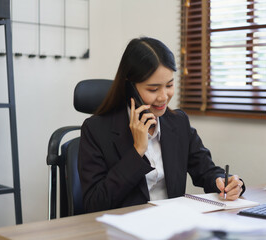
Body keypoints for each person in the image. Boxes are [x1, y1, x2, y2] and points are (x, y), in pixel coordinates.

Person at [78, 37, 245, 213]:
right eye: (153, 89)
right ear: (130, 87)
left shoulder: (178, 122)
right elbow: (95, 203)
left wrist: (225, 182)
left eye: (169, 85)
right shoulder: (96, 130)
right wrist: (137, 151)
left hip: (172, 227)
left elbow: (207, 171)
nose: (164, 96)